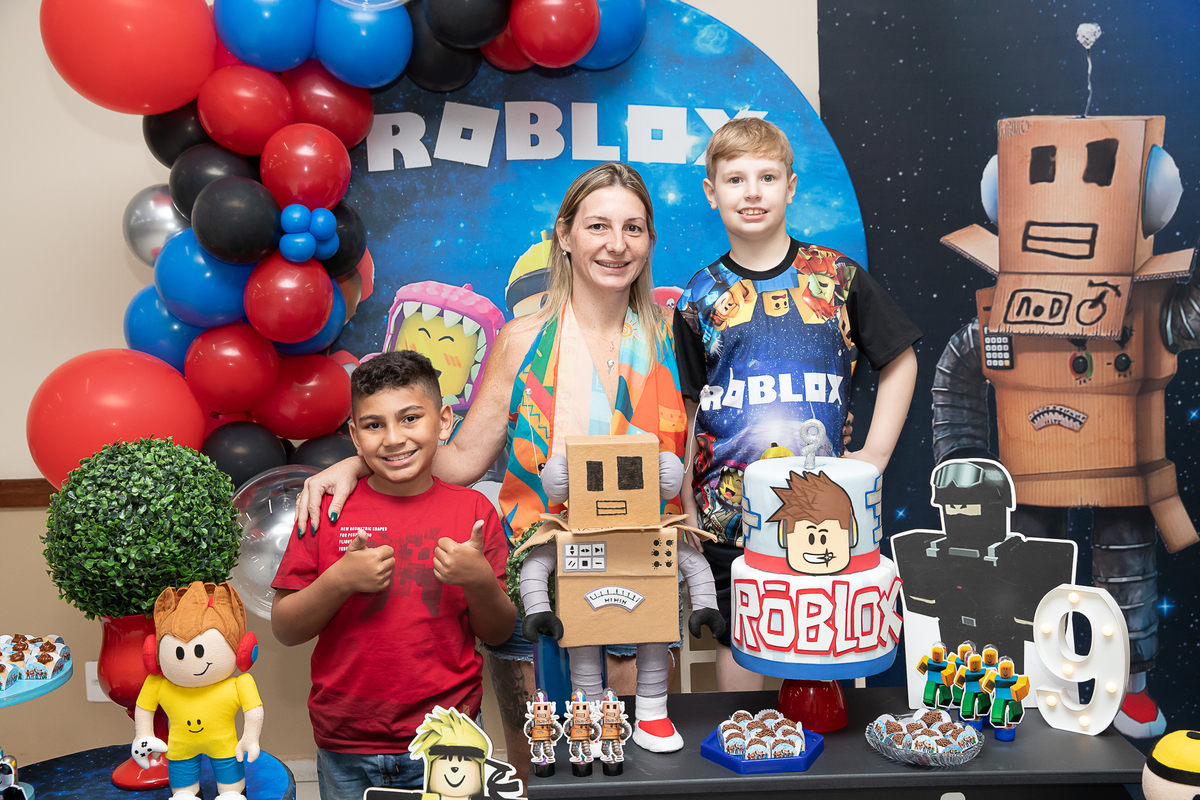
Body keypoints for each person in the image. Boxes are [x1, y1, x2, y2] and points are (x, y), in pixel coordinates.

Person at [294, 163, 691, 785]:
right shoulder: (521, 339)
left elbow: (683, 465)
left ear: (649, 240)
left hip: (636, 572)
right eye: (598, 226)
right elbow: (456, 461)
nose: (616, 244)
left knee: (631, 765)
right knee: (538, 766)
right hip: (535, 577)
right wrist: (354, 462)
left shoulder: (673, 334)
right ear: (565, 235)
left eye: (633, 228)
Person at [674, 117, 921, 690]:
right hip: (729, 515)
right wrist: (684, 500)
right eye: (735, 179)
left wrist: (876, 454)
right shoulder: (699, 295)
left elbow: (900, 357)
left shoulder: (837, 277)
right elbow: (686, 407)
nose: (752, 192)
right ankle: (745, 741)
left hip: (826, 509)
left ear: (790, 187)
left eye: (767, 177)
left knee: (823, 636)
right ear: (711, 192)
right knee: (741, 640)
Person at [271, 351, 515, 800]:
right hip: (345, 741)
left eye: (410, 418)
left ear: (443, 422)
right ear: (354, 435)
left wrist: (478, 579)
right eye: (374, 424)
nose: (393, 438)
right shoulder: (327, 510)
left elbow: (498, 632)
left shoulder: (474, 512)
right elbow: (286, 629)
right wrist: (340, 580)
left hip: (449, 738)